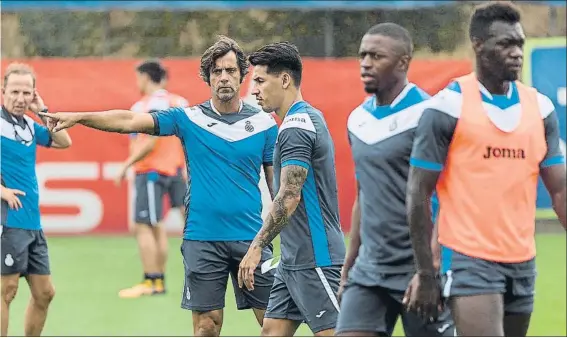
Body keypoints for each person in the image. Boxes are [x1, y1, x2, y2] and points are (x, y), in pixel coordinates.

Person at [38, 36, 279, 337]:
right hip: (202, 240)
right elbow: (129, 120)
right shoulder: (188, 118)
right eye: (217, 72)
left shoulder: (265, 124)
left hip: (251, 239)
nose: (224, 77)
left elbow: (279, 190)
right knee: (207, 326)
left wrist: (275, 238)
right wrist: (79, 117)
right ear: (208, 78)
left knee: (273, 325)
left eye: (230, 70)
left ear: (242, 74)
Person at [404, 2, 566, 336]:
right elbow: (418, 193)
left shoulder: (541, 109)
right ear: (479, 45)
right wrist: (426, 272)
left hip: (524, 260)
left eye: (519, 44)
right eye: (506, 44)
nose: (517, 53)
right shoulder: (446, 107)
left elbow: (560, 189)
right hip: (467, 259)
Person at [334, 23, 454, 337]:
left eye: (376, 56)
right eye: (362, 55)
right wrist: (350, 263)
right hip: (369, 272)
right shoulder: (357, 119)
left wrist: (432, 269)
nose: (365, 63)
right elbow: (364, 194)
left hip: (421, 270)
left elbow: (450, 194)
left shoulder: (430, 113)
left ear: (402, 62)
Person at [239, 42, 346, 337]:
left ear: (284, 80)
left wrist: (257, 246)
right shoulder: (306, 117)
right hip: (293, 260)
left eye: (260, 80)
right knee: (271, 331)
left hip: (315, 258)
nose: (254, 89)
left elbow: (289, 196)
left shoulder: (296, 127)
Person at [1, 63, 72, 336]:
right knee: (6, 292)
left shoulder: (29, 125)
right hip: (7, 220)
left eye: (26, 93)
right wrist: (2, 191)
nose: (20, 99)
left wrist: (42, 112)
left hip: (32, 222)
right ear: (3, 91)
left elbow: (64, 140)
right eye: (15, 91)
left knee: (45, 293)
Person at [116, 60, 189, 298]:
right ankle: (159, 281)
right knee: (159, 227)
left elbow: (150, 140)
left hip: (150, 171)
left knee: (144, 226)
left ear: (146, 78)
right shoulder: (180, 103)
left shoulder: (145, 106)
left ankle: (151, 280)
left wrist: (126, 164)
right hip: (175, 170)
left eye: (138, 78)